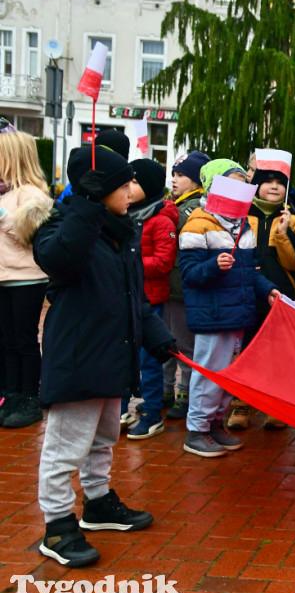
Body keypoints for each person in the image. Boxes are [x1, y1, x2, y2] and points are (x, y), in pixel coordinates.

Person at [14, 145, 176, 567]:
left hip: (111, 358)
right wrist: (84, 203)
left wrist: (157, 337)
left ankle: (99, 502)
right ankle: (57, 525)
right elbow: (63, 259)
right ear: (98, 190)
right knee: (65, 447)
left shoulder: (120, 233)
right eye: (123, 184)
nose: (131, 190)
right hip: (79, 358)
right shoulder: (61, 227)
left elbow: (133, 299)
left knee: (104, 437)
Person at [179, 160, 279, 458]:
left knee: (227, 374)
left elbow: (251, 271)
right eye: (230, 184)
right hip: (213, 315)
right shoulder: (198, 224)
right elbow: (189, 273)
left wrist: (267, 289)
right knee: (209, 372)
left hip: (238, 314)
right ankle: (197, 430)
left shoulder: (243, 225)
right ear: (213, 187)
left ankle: (215, 424)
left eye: (241, 184)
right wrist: (213, 265)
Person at [226, 161, 295, 431]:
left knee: (278, 351)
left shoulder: (291, 219)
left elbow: (294, 263)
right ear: (255, 185)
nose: (274, 186)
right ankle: (241, 403)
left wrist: (284, 233)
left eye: (280, 183)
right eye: (268, 181)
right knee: (245, 349)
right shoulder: (242, 215)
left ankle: (275, 405)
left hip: (281, 295)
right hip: (246, 292)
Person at [122, 158, 179, 440]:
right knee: (121, 356)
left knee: (149, 360)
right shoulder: (126, 213)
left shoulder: (161, 219)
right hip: (125, 297)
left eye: (133, 182)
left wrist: (127, 262)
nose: (128, 187)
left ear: (149, 185)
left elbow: (163, 262)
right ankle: (120, 410)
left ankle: (153, 413)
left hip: (151, 300)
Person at [0, 128, 52, 428]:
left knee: (25, 341)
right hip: (5, 277)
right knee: (8, 341)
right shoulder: (5, 192)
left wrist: (4, 216)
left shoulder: (33, 194)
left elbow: (32, 238)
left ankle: (31, 397)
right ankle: (14, 395)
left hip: (27, 279)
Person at [163, 150, 210, 420]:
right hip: (168, 285)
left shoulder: (195, 206)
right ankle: (166, 389)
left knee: (184, 345)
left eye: (181, 175)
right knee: (167, 342)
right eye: (174, 174)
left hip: (182, 286)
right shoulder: (175, 202)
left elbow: (179, 225)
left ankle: (185, 392)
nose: (175, 179)